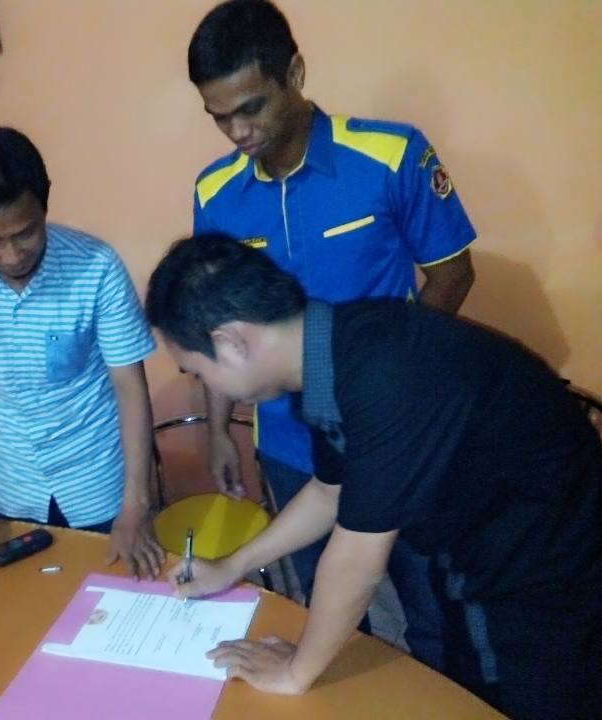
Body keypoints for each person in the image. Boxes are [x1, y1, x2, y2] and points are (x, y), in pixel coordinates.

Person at [145, 233, 602, 720]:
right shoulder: (333, 350)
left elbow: (357, 562)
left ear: (231, 342)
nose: (206, 386)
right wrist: (232, 566)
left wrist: (296, 672)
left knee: (518, 700)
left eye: (198, 372)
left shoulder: (382, 373)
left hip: (543, 573)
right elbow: (329, 493)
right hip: (479, 552)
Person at [186, 0, 477, 669]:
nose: (238, 131)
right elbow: (217, 320)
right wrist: (219, 427)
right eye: (219, 117)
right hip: (291, 443)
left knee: (431, 604)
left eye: (251, 108)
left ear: (294, 73)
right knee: (327, 603)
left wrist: (398, 382)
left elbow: (453, 274)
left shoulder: (391, 155)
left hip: (396, 436)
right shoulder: (215, 193)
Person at [0, 127, 165, 589]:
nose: (11, 255)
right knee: (24, 604)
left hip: (99, 480)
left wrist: (137, 502)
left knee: (113, 604)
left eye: (25, 233)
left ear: (44, 203)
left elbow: (130, 387)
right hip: (10, 485)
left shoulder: (97, 267)